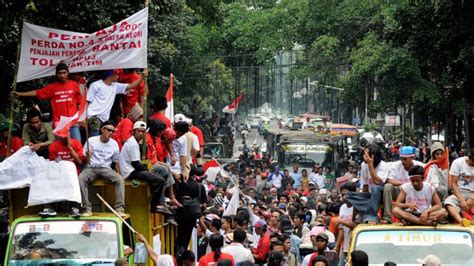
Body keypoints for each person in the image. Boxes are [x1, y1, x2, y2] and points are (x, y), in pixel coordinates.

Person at [13, 63, 82, 141]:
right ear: (56, 74)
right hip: (59, 124)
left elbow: (80, 103)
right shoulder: (52, 87)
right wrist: (20, 94)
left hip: (73, 122)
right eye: (59, 73)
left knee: (77, 146)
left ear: (68, 73)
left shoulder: (74, 85)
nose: (62, 75)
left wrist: (81, 119)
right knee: (60, 149)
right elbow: (37, 92)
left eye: (64, 73)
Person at [118, 121, 170, 215]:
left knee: (154, 177)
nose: (141, 133)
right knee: (159, 180)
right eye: (139, 131)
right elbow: (136, 164)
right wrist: (148, 172)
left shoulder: (133, 141)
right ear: (134, 131)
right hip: (129, 172)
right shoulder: (133, 143)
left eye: (143, 131)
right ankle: (154, 207)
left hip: (131, 169)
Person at [78, 121, 125, 217]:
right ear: (102, 129)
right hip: (91, 167)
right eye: (108, 130)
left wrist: (119, 174)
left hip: (106, 169)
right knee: (81, 179)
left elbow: (116, 162)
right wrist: (88, 156)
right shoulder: (91, 140)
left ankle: (119, 209)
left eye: (112, 131)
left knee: (120, 179)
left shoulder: (114, 144)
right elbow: (85, 161)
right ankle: (86, 208)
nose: (111, 133)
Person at [86, 69, 147, 136]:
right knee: (95, 139)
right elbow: (87, 101)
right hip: (94, 116)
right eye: (116, 75)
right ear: (110, 75)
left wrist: (142, 77)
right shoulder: (95, 85)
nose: (118, 76)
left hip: (104, 119)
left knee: (102, 138)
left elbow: (130, 86)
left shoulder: (115, 86)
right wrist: (85, 117)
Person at [383, 146, 424, 223]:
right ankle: (387, 217)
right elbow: (388, 180)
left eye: (405, 159)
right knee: (387, 187)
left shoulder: (420, 166)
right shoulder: (395, 165)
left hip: (416, 193)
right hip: (400, 192)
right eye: (401, 158)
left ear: (412, 157)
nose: (402, 161)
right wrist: (406, 184)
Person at [444, 148, 474, 227]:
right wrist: (462, 200)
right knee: (448, 202)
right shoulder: (458, 162)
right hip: (460, 192)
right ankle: (461, 220)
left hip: (473, 192)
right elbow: (453, 183)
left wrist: (473, 198)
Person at [334, 183, 357, 266]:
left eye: (346, 194)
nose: (344, 197)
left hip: (357, 247)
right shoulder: (342, 207)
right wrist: (336, 248)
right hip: (346, 248)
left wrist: (341, 221)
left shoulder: (358, 207)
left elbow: (356, 226)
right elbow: (341, 230)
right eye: (342, 194)